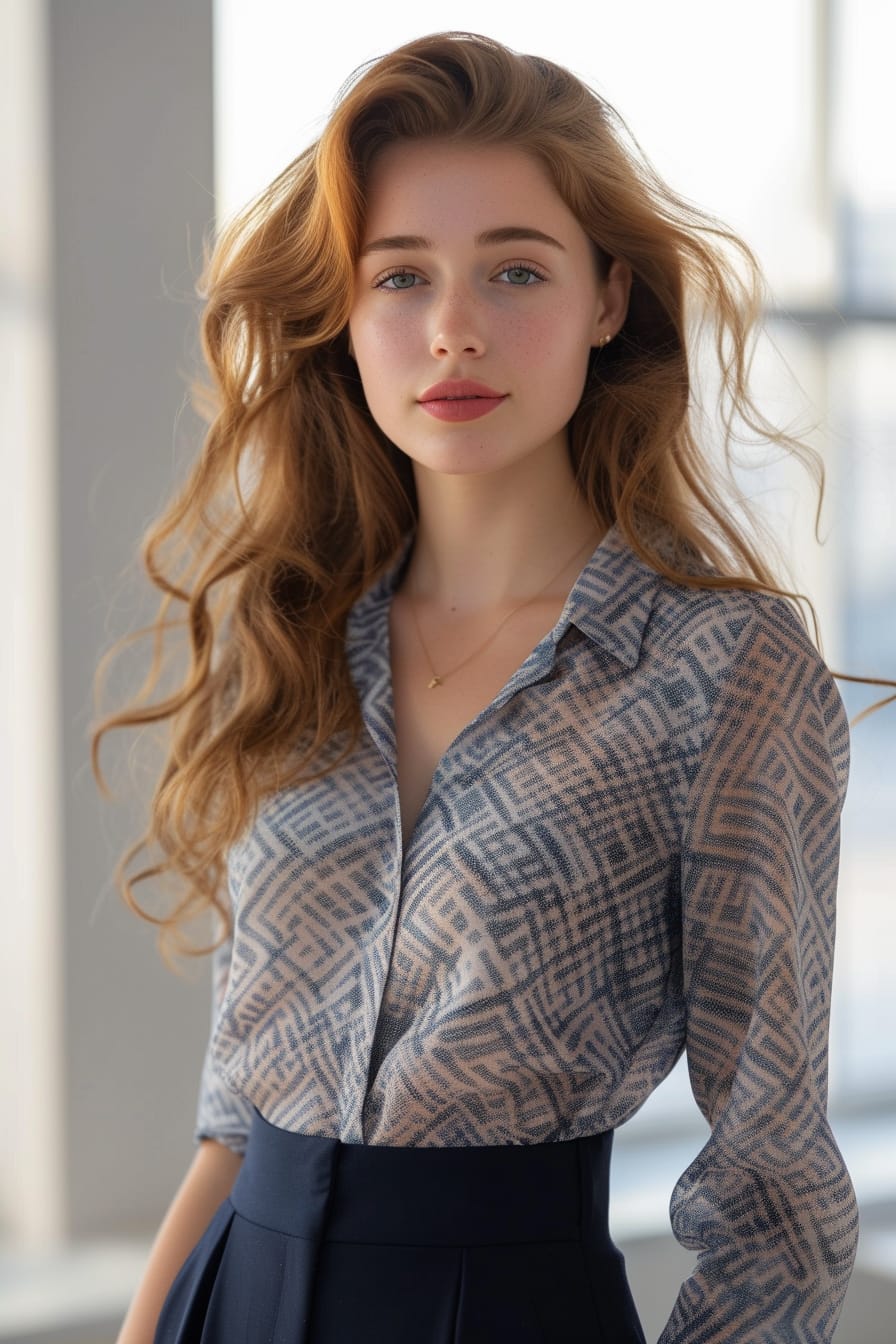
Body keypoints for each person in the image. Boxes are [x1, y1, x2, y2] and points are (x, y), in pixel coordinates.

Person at [93, 29, 879, 1344]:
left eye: (516, 269)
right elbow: (235, 1119)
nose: (453, 329)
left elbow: (775, 1196)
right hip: (229, 1298)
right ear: (346, 316)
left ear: (609, 299)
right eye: (402, 276)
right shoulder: (291, 634)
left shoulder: (722, 675)